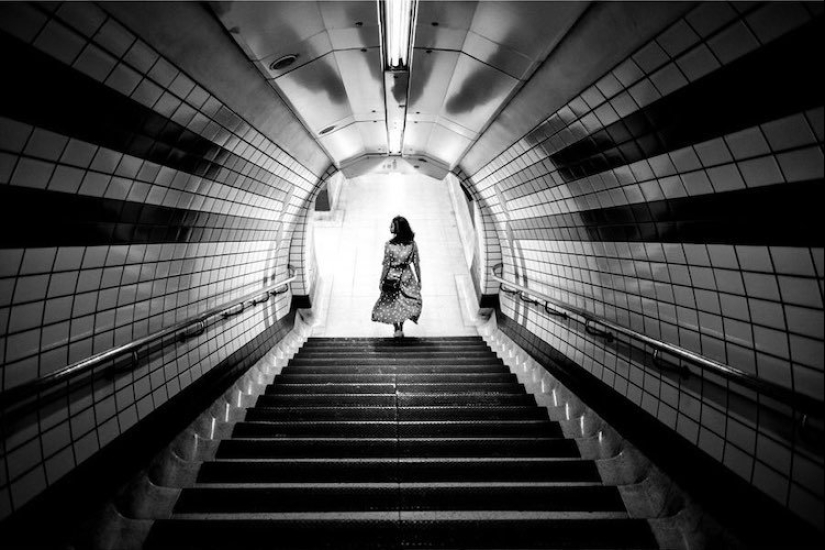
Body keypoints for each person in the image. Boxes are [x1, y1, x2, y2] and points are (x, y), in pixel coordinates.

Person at [371, 216, 422, 337]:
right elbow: (416, 264)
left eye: (392, 226)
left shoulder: (388, 245)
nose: (390, 227)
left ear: (398, 229)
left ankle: (396, 328)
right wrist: (419, 280)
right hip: (407, 277)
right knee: (405, 302)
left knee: (392, 302)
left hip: (392, 277)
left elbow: (386, 265)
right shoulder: (413, 245)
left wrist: (381, 280)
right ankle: (401, 326)